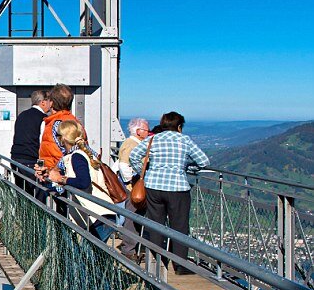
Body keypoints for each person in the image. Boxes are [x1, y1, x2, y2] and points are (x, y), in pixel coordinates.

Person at [129, 111, 209, 274]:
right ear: (179, 127)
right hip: (178, 188)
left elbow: (134, 156)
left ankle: (157, 262)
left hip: (154, 186)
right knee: (179, 226)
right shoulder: (185, 140)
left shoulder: (153, 139)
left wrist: (146, 173)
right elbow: (204, 161)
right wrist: (186, 168)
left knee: (155, 224)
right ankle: (180, 266)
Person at [45, 120, 123, 241]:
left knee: (89, 258)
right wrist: (49, 176)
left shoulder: (77, 156)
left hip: (97, 215)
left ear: (63, 139)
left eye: (58, 136)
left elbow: (83, 182)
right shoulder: (82, 153)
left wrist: (60, 179)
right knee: (93, 256)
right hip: (101, 214)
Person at [116, 118, 149, 260]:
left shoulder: (131, 143)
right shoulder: (131, 144)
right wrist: (131, 181)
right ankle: (129, 249)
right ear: (138, 131)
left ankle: (131, 247)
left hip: (133, 185)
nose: (148, 132)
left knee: (133, 216)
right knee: (132, 217)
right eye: (146, 130)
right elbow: (123, 164)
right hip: (133, 187)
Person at [10, 90, 52, 193]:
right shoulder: (43, 119)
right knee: (38, 194)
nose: (51, 105)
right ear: (43, 102)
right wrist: (42, 167)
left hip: (16, 158)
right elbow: (43, 144)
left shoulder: (22, 115)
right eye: (50, 101)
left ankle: (21, 209)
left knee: (22, 193)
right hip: (31, 160)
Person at [38, 84, 84, 172]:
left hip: (58, 179)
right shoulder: (76, 123)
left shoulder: (56, 125)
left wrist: (49, 171)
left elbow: (66, 155)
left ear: (51, 103)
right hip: (71, 174)